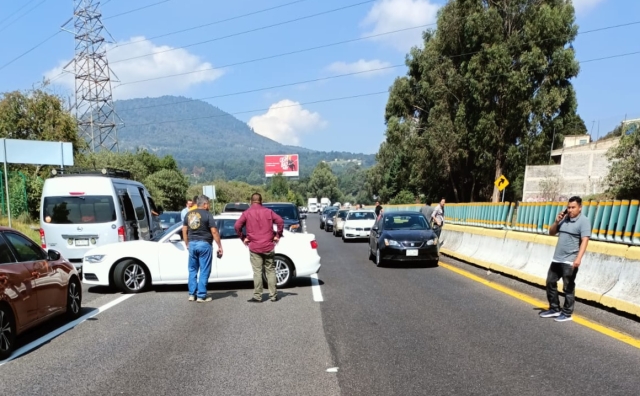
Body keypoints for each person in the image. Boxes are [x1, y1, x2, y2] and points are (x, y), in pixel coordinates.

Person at [539, 196, 591, 322]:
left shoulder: (584, 221)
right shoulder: (564, 219)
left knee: (568, 287)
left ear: (580, 208)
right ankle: (554, 308)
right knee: (550, 282)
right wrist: (557, 221)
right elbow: (551, 232)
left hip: (570, 260)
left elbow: (585, 240)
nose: (570, 210)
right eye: (569, 207)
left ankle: (567, 313)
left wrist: (578, 258)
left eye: (573, 207)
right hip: (557, 258)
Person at [234, 192, 284, 303]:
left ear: (251, 202)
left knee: (257, 272)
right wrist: (277, 235)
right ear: (261, 201)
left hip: (255, 247)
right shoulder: (268, 212)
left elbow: (237, 226)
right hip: (268, 245)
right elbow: (280, 221)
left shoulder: (246, 213)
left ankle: (258, 296)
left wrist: (243, 238)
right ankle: (273, 295)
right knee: (270, 270)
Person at [182, 195, 223, 303]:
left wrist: (187, 244)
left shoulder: (188, 214)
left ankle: (192, 294)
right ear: (204, 204)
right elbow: (214, 231)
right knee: (204, 270)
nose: (209, 206)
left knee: (192, 270)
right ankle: (201, 296)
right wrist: (219, 246)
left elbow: (184, 231)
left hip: (192, 245)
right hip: (205, 244)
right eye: (208, 203)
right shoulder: (207, 214)